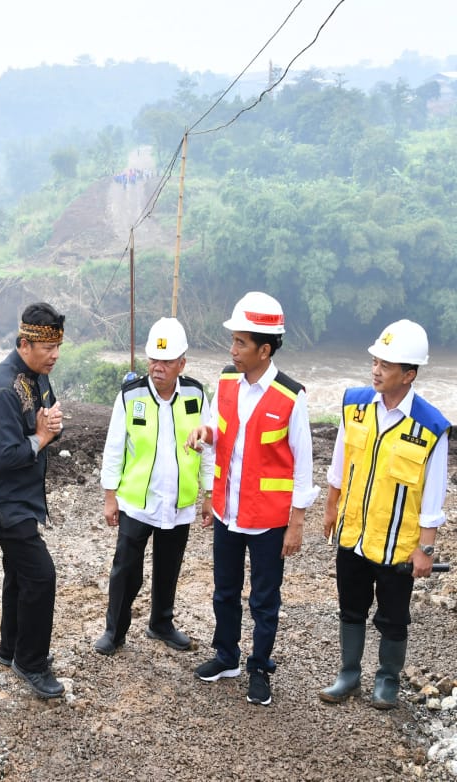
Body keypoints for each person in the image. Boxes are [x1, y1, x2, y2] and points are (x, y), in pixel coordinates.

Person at [185, 291, 317, 707]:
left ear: (265, 349)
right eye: (233, 342)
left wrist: (296, 523)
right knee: (224, 590)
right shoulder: (226, 381)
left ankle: (259, 666)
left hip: (269, 520)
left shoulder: (291, 397)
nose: (233, 350)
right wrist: (204, 434)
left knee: (264, 599)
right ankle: (227, 656)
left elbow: (303, 466)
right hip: (227, 509)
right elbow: (216, 426)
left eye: (241, 343)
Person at [318, 320, 449, 709]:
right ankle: (348, 674)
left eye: (386, 365)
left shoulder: (431, 425)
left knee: (393, 617)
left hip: (398, 542)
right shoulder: (354, 405)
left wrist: (425, 548)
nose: (376, 370)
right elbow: (340, 464)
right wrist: (330, 509)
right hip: (354, 533)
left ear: (409, 375)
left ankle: (387, 680)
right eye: (375, 361)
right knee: (351, 607)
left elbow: (433, 493)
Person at [94, 317, 213, 656]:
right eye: (153, 360)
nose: (158, 368)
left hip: (178, 501)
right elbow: (114, 448)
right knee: (126, 570)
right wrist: (109, 497)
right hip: (137, 501)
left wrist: (208, 494)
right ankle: (114, 631)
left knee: (168, 567)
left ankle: (161, 623)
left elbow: (207, 449)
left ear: (182, 363)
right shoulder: (131, 396)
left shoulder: (195, 393)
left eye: (166, 361)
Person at [0, 302, 66, 699]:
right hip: (3, 503)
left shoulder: (38, 377)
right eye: (48, 349)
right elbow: (5, 455)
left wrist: (51, 430)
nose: (55, 356)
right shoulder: (0, 389)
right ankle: (31, 661)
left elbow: (47, 423)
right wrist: (43, 438)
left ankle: (10, 649)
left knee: (19, 573)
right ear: (25, 343)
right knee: (41, 576)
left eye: (58, 347)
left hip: (22, 499)